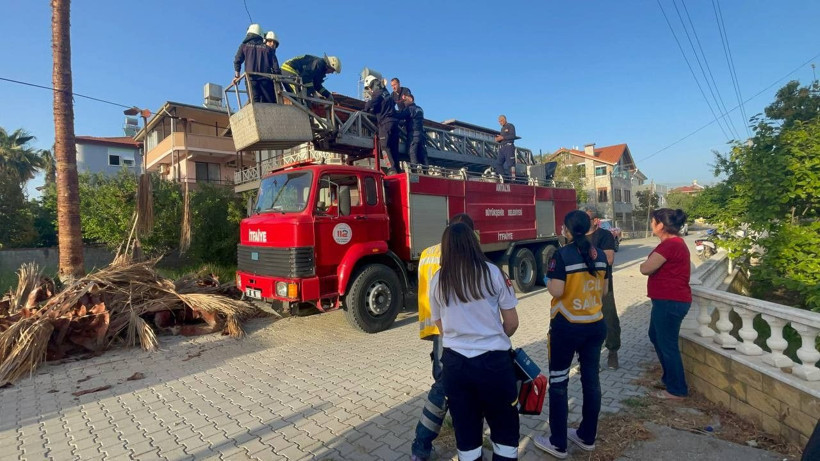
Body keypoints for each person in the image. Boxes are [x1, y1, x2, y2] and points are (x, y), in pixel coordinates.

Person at [430, 222, 520, 461]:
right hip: (494, 365)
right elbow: (511, 323)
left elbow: (441, 327)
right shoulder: (495, 273)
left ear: (446, 247)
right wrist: (490, 336)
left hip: (456, 367)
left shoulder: (438, 280)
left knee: (467, 436)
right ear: (473, 242)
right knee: (505, 434)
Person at [534, 210, 609, 459]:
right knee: (591, 382)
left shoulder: (562, 255)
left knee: (559, 383)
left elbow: (556, 290)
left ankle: (558, 443)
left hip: (567, 327)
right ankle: (587, 437)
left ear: (566, 230)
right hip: (595, 325)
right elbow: (604, 292)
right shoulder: (599, 255)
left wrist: (547, 279)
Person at [411, 213, 474, 461]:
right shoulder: (457, 255)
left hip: (434, 328)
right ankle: (422, 446)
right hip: (452, 332)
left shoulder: (427, 253)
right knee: (444, 390)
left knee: (446, 386)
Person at [640, 208, 691, 400]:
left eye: (653, 221)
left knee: (667, 344)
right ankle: (669, 379)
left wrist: (643, 265)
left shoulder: (670, 245)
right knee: (655, 336)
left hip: (671, 301)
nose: (651, 224)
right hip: (667, 301)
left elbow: (646, 268)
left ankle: (677, 390)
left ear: (661, 225)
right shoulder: (674, 243)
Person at [583, 206, 621, 369]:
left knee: (608, 319)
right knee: (585, 323)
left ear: (596, 221)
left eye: (586, 219)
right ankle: (590, 358)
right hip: (582, 287)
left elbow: (609, 259)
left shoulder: (605, 235)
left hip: (603, 285)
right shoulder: (576, 237)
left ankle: (612, 352)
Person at [233, 24, 280, 103]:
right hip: (266, 81)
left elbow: (237, 61)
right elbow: (276, 69)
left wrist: (237, 76)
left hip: (250, 80)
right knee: (269, 104)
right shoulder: (268, 49)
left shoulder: (244, 46)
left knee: (255, 103)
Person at [363, 75, 401, 174]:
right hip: (394, 123)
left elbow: (370, 104)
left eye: (369, 88)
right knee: (394, 149)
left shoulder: (378, 93)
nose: (370, 90)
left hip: (385, 124)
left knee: (384, 147)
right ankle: (397, 169)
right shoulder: (387, 94)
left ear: (372, 85)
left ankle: (392, 169)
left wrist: (366, 109)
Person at [398, 94, 429, 167]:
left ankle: (414, 171)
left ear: (411, 99)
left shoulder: (409, 109)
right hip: (421, 134)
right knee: (423, 154)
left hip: (413, 134)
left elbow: (400, 116)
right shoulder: (420, 109)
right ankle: (426, 171)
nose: (404, 102)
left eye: (405, 100)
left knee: (412, 152)